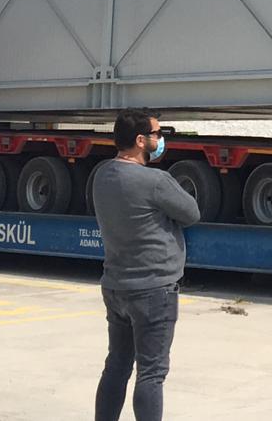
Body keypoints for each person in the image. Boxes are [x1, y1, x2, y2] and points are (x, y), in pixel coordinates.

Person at [93, 109, 199, 421]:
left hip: (116, 285)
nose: (161, 139)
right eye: (157, 133)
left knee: (117, 365)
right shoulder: (155, 181)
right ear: (141, 141)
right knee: (151, 373)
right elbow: (191, 213)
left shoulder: (102, 174)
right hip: (153, 289)